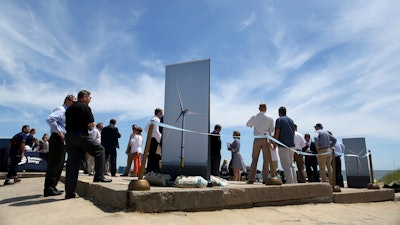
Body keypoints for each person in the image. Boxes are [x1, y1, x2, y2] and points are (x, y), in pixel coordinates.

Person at [64, 90, 111, 199]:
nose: (90, 100)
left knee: (72, 165)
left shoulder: (70, 108)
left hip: (69, 137)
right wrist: (88, 127)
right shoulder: (84, 107)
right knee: (100, 149)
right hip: (80, 135)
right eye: (90, 97)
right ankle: (99, 176)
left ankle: (69, 192)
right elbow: (91, 125)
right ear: (84, 97)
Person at [44, 94, 76, 197]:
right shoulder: (61, 109)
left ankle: (53, 187)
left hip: (61, 139)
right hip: (57, 138)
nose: (74, 104)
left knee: (60, 163)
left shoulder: (66, 111)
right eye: (74, 102)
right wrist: (59, 131)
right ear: (68, 100)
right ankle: (49, 188)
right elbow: (50, 119)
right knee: (55, 163)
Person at [246, 103, 275, 184]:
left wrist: (252, 125)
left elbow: (248, 124)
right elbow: (272, 130)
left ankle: (251, 179)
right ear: (266, 108)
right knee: (266, 160)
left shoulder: (254, 117)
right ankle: (265, 179)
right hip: (266, 139)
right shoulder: (270, 117)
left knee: (254, 159)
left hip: (257, 139)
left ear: (259, 108)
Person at [273, 106, 296, 184]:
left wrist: (274, 143)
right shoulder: (291, 120)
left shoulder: (279, 120)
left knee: (285, 165)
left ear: (279, 112)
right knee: (291, 164)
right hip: (292, 145)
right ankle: (294, 182)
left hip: (283, 145)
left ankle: (290, 183)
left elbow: (277, 131)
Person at [145, 108, 163, 173]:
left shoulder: (152, 119)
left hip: (151, 138)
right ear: (158, 113)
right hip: (155, 139)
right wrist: (160, 139)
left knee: (151, 156)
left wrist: (151, 134)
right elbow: (156, 131)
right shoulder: (156, 119)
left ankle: (149, 171)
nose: (162, 114)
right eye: (161, 113)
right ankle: (154, 171)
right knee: (156, 156)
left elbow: (146, 129)